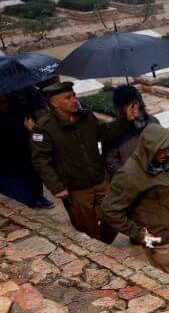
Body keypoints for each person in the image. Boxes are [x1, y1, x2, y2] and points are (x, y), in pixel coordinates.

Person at [31, 81, 137, 243]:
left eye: (73, 95)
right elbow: (41, 160)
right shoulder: (45, 127)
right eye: (68, 97)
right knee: (88, 229)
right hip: (76, 188)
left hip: (100, 181)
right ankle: (100, 254)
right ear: (54, 103)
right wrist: (57, 187)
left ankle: (103, 246)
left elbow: (105, 133)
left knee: (116, 216)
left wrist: (124, 119)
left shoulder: (86, 117)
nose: (74, 99)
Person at [102, 125, 169, 281]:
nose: (167, 153)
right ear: (149, 148)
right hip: (161, 243)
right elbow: (109, 210)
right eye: (162, 149)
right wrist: (139, 234)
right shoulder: (129, 175)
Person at [0, 89, 52, 209]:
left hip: (25, 156)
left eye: (4, 102)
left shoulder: (20, 108)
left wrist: (32, 131)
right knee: (19, 198)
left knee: (33, 177)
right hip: (7, 166)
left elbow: (38, 136)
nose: (3, 106)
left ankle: (38, 197)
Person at [103, 84, 153, 175]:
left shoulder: (152, 122)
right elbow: (110, 162)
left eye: (136, 103)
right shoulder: (112, 131)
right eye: (128, 105)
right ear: (119, 108)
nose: (133, 108)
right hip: (129, 181)